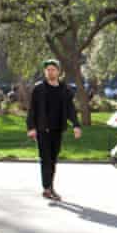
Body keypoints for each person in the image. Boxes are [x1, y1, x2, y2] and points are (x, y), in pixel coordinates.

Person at [26, 59, 82, 200]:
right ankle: (47, 188)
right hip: (43, 129)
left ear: (58, 71)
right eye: (48, 70)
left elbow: (70, 109)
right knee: (46, 159)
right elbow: (32, 110)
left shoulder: (65, 89)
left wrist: (75, 124)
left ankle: (49, 186)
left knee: (53, 159)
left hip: (58, 129)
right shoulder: (39, 89)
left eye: (53, 69)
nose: (50, 72)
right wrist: (31, 127)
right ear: (45, 72)